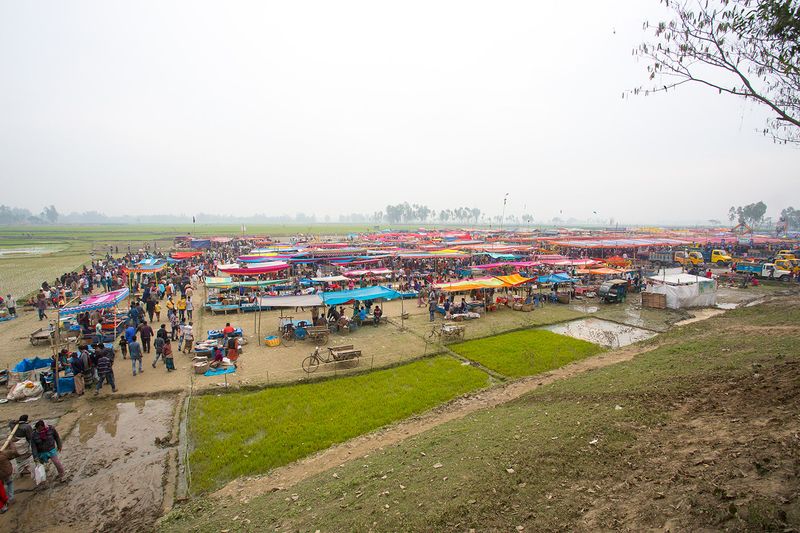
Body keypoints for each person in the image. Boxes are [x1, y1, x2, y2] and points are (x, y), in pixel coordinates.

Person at [0, 446, 19, 512]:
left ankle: (5, 501)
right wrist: (11, 444)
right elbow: (15, 453)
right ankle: (11, 498)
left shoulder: (3, 454)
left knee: (2, 487)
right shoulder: (3, 454)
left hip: (1, 476)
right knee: (9, 483)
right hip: (6, 473)